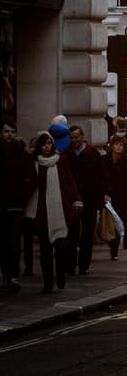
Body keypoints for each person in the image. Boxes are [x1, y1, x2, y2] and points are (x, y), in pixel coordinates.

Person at [26, 133, 82, 292]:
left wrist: (76, 199)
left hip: (59, 209)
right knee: (45, 251)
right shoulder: (34, 162)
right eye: (44, 144)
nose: (47, 147)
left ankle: (60, 273)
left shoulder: (61, 160)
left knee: (62, 246)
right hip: (41, 211)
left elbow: (70, 181)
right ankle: (48, 283)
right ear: (39, 146)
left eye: (49, 143)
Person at [65, 125, 108, 275]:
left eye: (77, 137)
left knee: (87, 235)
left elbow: (101, 177)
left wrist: (102, 196)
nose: (74, 140)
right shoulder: (67, 154)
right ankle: (70, 265)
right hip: (72, 200)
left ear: (82, 136)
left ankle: (84, 265)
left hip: (90, 200)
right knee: (72, 234)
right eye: (72, 138)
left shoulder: (93, 154)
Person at [2, 122, 33, 292]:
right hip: (2, 204)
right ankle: (6, 273)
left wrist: (22, 195)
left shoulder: (22, 154)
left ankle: (13, 275)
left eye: (12, 132)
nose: (9, 135)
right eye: (6, 131)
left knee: (14, 241)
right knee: (4, 241)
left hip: (16, 205)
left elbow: (31, 178)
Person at [104, 135, 127, 260]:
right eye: (117, 144)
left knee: (124, 220)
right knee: (113, 222)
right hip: (111, 196)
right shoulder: (105, 160)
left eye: (121, 145)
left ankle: (125, 240)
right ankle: (114, 248)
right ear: (112, 146)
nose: (119, 147)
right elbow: (101, 178)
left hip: (125, 196)